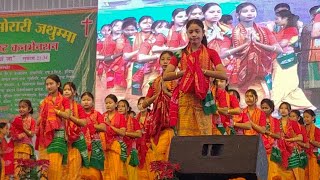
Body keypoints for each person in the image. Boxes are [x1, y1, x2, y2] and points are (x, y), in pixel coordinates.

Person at [163, 19, 227, 136]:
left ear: (203, 33)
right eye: (190, 32)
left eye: (197, 31)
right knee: (186, 136)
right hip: (185, 98)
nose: (194, 35)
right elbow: (166, 75)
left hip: (203, 98)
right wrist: (185, 72)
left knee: (204, 135)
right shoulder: (179, 53)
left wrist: (202, 71)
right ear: (186, 34)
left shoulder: (211, 52)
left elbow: (223, 74)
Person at [228, 2, 282, 107]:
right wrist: (246, 44)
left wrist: (257, 44)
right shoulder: (230, 32)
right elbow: (224, 54)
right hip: (238, 74)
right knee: (239, 106)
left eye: (252, 11)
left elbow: (279, 50)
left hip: (259, 72)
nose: (249, 13)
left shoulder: (264, 30)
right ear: (237, 15)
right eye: (245, 11)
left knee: (260, 105)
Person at [272, 10, 315, 110]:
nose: (275, 21)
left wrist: (269, 44)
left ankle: (274, 105)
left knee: (283, 83)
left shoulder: (291, 29)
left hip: (286, 60)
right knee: (283, 83)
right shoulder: (283, 29)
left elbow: (282, 44)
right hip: (280, 59)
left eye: (277, 18)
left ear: (285, 18)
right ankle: (303, 105)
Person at [143, 51, 177, 161]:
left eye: (169, 59)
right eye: (163, 59)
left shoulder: (178, 80)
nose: (165, 61)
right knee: (158, 154)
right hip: (158, 124)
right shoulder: (155, 82)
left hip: (175, 123)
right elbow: (144, 104)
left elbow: (182, 100)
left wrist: (167, 93)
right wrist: (157, 96)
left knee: (171, 155)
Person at [36, 74, 71, 180]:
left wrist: (53, 110)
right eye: (47, 84)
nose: (49, 86)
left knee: (55, 167)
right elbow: (38, 121)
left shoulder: (64, 100)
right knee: (45, 168)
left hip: (58, 136)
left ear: (58, 84)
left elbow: (67, 115)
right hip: (45, 136)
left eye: (51, 83)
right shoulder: (43, 102)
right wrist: (43, 113)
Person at [62, 82, 89, 180]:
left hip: (75, 141)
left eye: (69, 89)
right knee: (62, 170)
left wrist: (70, 117)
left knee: (75, 169)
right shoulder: (58, 105)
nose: (66, 91)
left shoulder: (78, 107)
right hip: (61, 141)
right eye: (64, 90)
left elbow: (83, 123)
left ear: (74, 92)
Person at [271, 102, 304, 179]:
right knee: (280, 171)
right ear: (279, 110)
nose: (283, 110)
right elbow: (275, 135)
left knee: (293, 172)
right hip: (280, 150)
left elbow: (300, 137)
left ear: (289, 111)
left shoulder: (293, 123)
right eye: (281, 108)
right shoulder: (276, 122)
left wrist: (290, 139)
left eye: (286, 108)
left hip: (291, 150)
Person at [80, 92, 106, 180]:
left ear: (93, 102)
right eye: (83, 100)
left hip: (94, 146)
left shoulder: (97, 114)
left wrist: (89, 125)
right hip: (80, 145)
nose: (86, 102)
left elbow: (103, 127)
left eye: (88, 100)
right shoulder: (77, 114)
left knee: (94, 173)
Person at [103, 94, 128, 180]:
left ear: (116, 104)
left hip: (116, 147)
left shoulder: (120, 117)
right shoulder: (103, 116)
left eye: (110, 102)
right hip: (104, 147)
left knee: (116, 172)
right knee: (105, 172)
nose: (108, 105)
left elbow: (122, 133)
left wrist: (110, 125)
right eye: (106, 103)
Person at [10, 100, 36, 179]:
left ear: (29, 109)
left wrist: (23, 128)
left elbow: (32, 134)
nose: (21, 109)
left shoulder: (32, 120)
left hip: (26, 149)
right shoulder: (16, 119)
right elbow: (11, 133)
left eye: (23, 107)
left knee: (24, 172)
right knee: (16, 171)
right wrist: (16, 135)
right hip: (16, 148)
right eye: (19, 107)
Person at [118, 100, 142, 180]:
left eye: (123, 106)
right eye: (118, 106)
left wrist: (125, 133)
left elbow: (139, 134)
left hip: (130, 151)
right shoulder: (115, 120)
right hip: (118, 151)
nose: (120, 108)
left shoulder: (133, 121)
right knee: (120, 174)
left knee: (132, 175)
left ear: (128, 108)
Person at [260, 99, 281, 179]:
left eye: (266, 108)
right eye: (262, 108)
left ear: (271, 109)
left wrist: (267, 133)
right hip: (261, 149)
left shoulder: (275, 121)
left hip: (272, 150)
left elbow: (278, 136)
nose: (264, 110)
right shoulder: (258, 119)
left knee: (273, 172)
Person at [303, 109, 320, 180]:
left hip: (313, 157)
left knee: (314, 176)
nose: (305, 119)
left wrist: (310, 140)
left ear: (313, 118)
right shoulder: (301, 128)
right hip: (302, 157)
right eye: (304, 117)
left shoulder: (317, 130)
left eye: (307, 117)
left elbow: (319, 145)